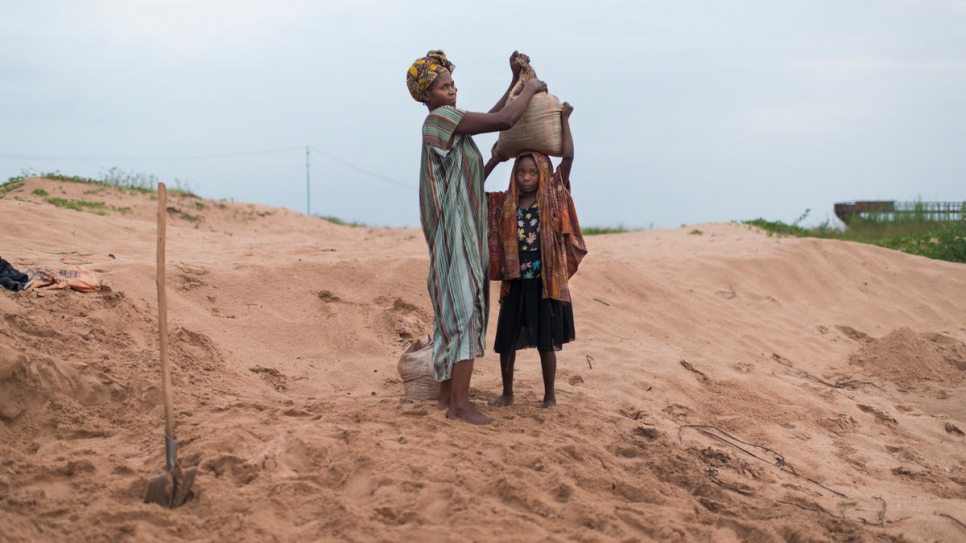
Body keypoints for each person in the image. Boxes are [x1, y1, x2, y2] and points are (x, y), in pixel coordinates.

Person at [407, 50, 547, 425]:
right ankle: (459, 405)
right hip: (456, 234)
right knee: (464, 309)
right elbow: (503, 118)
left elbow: (473, 170)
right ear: (426, 96)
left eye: (452, 84)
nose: (452, 90)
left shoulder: (453, 127)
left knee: (453, 308)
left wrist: (512, 85)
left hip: (459, 230)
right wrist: (530, 87)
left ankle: (445, 398)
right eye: (442, 86)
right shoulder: (440, 120)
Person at [483, 102, 587, 408]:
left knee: (546, 343)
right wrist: (496, 158)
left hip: (544, 284)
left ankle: (549, 396)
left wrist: (565, 119)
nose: (526, 177)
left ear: (542, 174)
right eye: (521, 172)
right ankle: (507, 392)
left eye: (532, 172)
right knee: (506, 342)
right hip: (515, 282)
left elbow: (567, 156)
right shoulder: (504, 204)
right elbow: (474, 185)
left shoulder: (553, 197)